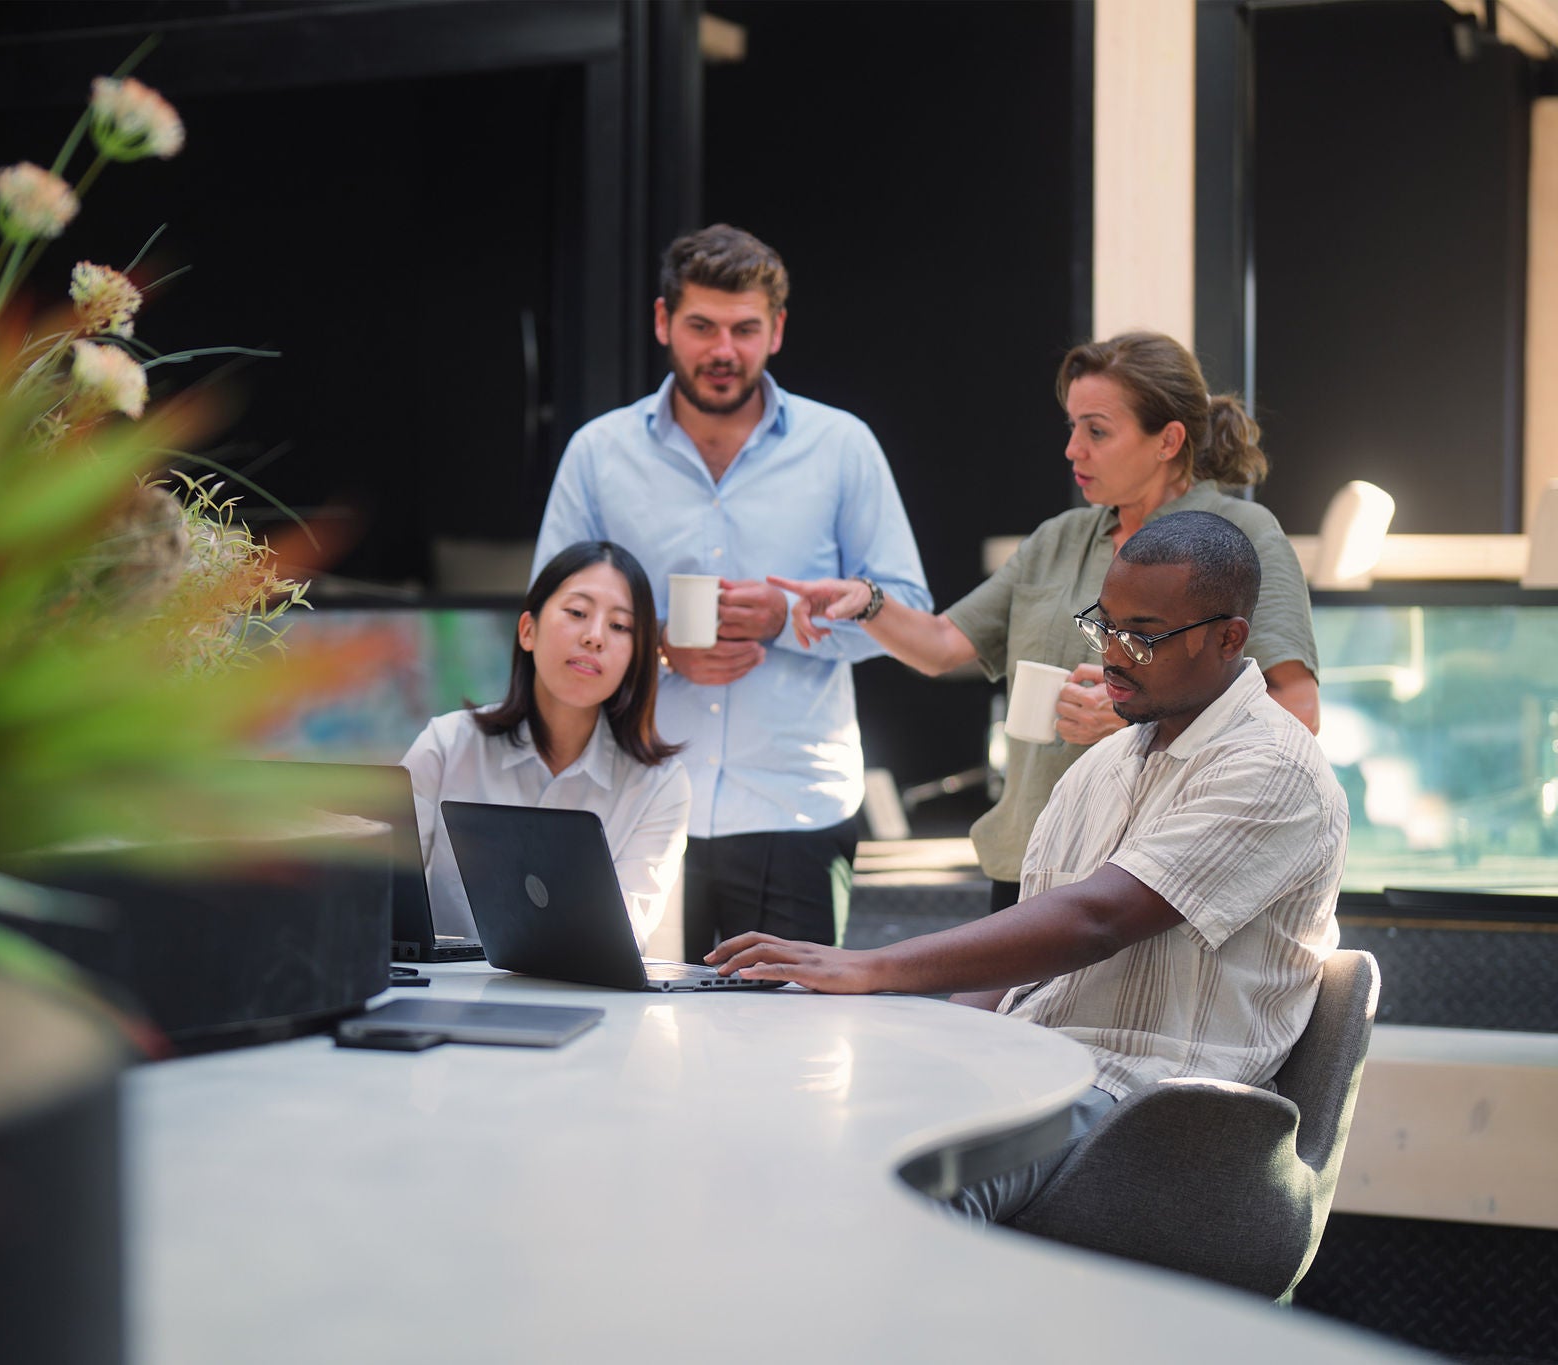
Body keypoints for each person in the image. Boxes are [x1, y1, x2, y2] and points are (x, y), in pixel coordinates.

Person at [709, 512, 1349, 1223]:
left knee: (906, 1186)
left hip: (1154, 1106)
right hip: (1039, 1068)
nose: (1112, 653)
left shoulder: (1275, 766)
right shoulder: (1103, 763)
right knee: (814, 1124)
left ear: (1229, 638)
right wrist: (931, 1048)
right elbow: (1012, 967)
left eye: (1141, 635)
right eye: (1102, 625)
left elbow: (1095, 920)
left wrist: (872, 967)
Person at [767, 330, 1319, 915]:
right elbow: (940, 645)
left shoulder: (1244, 534)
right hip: (1031, 861)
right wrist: (865, 601)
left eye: (1097, 431)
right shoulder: (1059, 538)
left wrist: (1137, 720)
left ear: (1168, 440)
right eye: (1072, 427)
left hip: (1150, 869)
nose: (1073, 449)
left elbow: (1298, 711)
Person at [532, 224, 931, 963]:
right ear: (662, 323)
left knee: (789, 1055)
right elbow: (549, 620)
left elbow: (908, 608)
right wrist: (657, 649)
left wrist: (787, 617)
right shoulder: (599, 452)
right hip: (633, 793)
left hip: (794, 801)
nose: (724, 350)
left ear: (777, 330)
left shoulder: (842, 447)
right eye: (702, 327)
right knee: (632, 1046)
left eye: (745, 329)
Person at [402, 540, 688, 949]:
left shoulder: (661, 785)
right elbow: (383, 898)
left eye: (619, 626)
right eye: (576, 613)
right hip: (450, 998)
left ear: (635, 657)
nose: (594, 637)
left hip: (589, 1004)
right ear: (527, 630)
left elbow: (620, 941)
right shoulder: (446, 746)